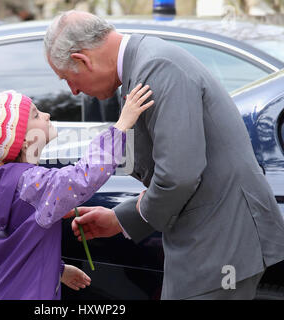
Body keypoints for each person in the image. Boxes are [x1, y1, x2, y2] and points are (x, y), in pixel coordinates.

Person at [44, 11, 284, 300]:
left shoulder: (156, 67)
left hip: (220, 245)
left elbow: (178, 176)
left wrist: (131, 217)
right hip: (213, 241)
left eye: (68, 78)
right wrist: (121, 219)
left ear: (83, 60)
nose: (73, 90)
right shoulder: (146, 64)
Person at [0, 87, 153, 300]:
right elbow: (84, 177)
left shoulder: (5, 179)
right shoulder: (32, 182)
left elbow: (15, 244)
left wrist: (57, 269)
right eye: (35, 114)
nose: (46, 115)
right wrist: (122, 126)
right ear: (24, 140)